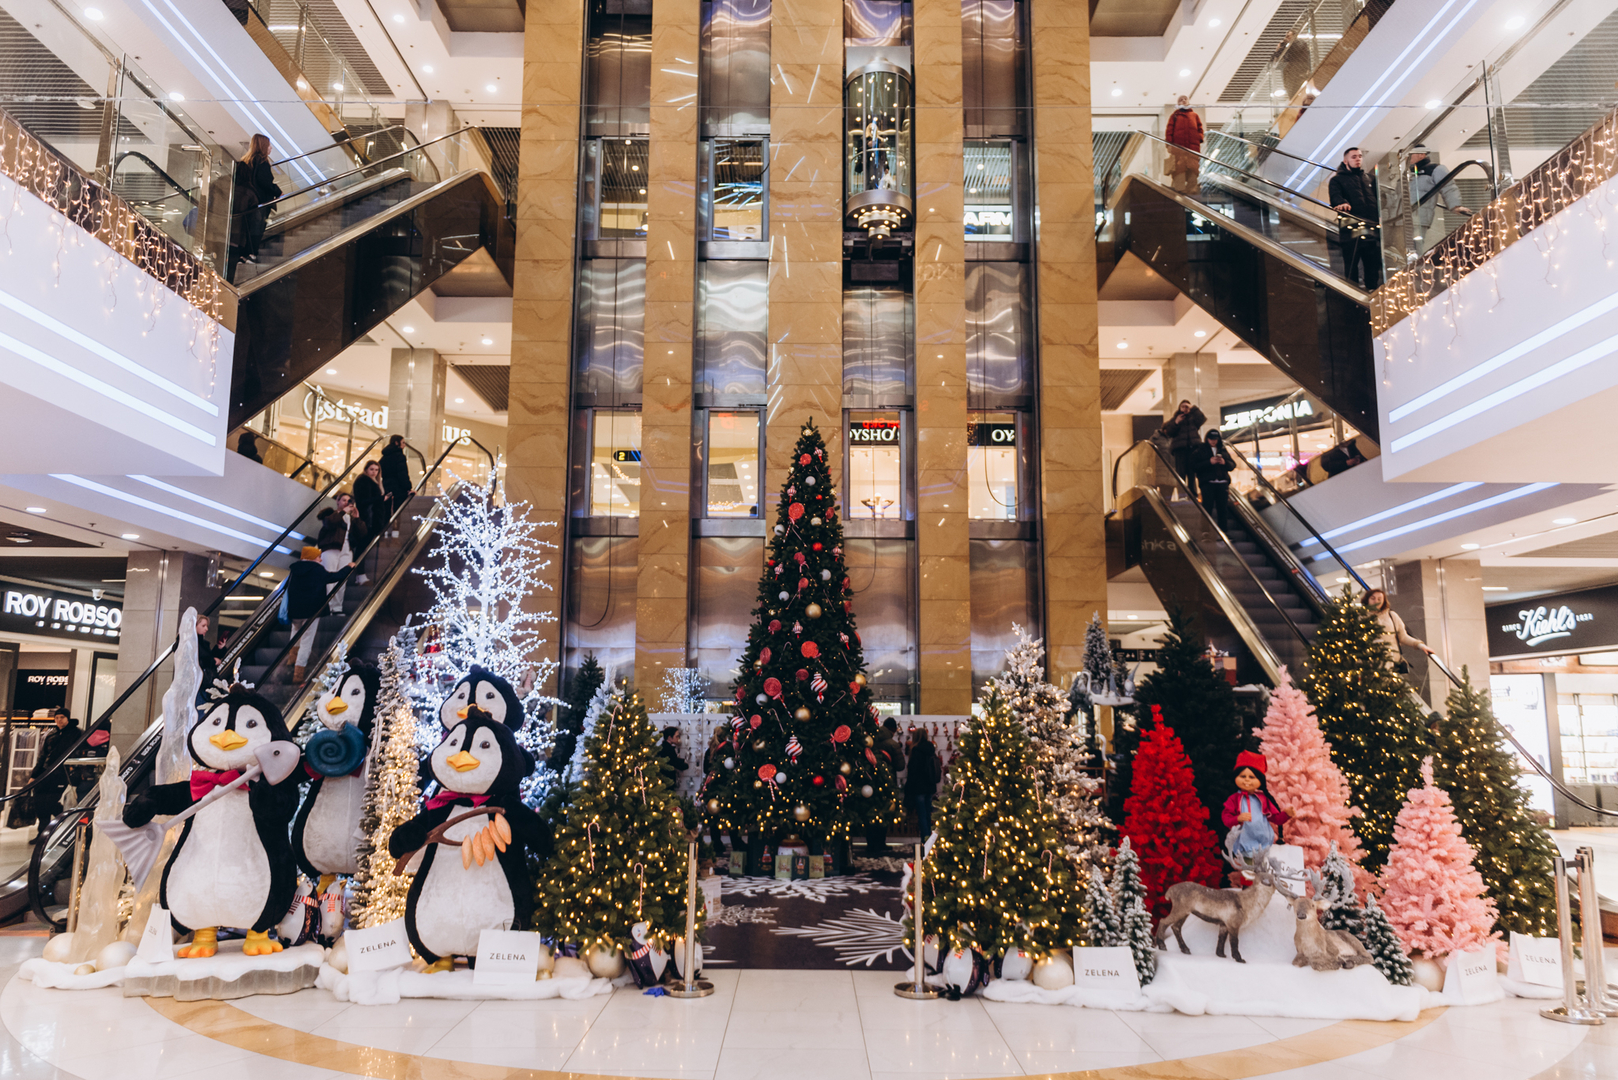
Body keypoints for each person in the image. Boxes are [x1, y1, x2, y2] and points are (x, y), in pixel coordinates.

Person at [287, 545, 354, 683]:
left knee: (295, 633)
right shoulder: (316, 569)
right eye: (318, 557)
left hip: (294, 610)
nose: (320, 559)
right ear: (312, 557)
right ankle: (298, 675)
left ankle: (290, 659)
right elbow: (333, 577)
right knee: (306, 642)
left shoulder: (294, 570)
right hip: (311, 612)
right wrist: (348, 567)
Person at [228, 134, 280, 283]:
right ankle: (250, 254)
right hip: (259, 202)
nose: (271, 148)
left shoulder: (247, 161)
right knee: (257, 228)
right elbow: (265, 182)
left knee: (247, 228)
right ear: (263, 146)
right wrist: (277, 191)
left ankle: (243, 255)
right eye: (269, 145)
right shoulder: (262, 162)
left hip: (247, 202)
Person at [1329, 147, 1382, 288]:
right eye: (1354, 157)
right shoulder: (1337, 180)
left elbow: (1381, 199)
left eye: (1359, 156)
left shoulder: (1369, 178)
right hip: (1351, 229)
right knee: (1351, 264)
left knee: (1372, 264)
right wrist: (1341, 203)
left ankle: (1372, 292)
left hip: (1371, 228)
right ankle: (1352, 294)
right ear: (1345, 160)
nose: (1358, 159)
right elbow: (1335, 197)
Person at [1221, 751, 1289, 860]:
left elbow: (1275, 819)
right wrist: (1237, 819)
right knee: (1248, 873)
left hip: (1264, 847)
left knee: (1262, 872)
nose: (1247, 779)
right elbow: (1226, 819)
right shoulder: (1234, 799)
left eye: (1252, 777)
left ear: (1260, 781)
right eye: (1243, 776)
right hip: (1244, 846)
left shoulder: (1262, 799)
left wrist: (1286, 815)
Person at [1408, 145, 1471, 254]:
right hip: (1402, 219)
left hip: (1419, 217)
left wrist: (1455, 205)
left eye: (1410, 155)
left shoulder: (1435, 169)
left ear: (1421, 155)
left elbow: (1448, 187)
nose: (1407, 158)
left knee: (1414, 248)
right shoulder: (1408, 173)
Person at [30, 708, 82, 833]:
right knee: (40, 802)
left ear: (68, 718)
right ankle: (43, 832)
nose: (59, 720)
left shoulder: (76, 733)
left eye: (62, 717)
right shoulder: (52, 734)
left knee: (54, 803)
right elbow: (43, 756)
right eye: (56, 718)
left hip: (63, 774)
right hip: (46, 773)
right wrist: (34, 775)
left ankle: (61, 830)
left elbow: (77, 754)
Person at [316, 494, 369, 613]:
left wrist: (357, 518)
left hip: (347, 550)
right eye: (343, 500)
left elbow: (363, 533)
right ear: (338, 502)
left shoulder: (350, 518)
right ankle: (326, 607)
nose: (346, 502)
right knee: (328, 577)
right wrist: (342, 512)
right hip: (331, 548)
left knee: (342, 580)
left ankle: (337, 608)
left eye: (348, 501)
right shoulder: (331, 514)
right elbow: (329, 523)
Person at [1363, 588, 1432, 672]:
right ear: (1367, 600)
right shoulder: (1360, 617)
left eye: (1379, 599)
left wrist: (1420, 645)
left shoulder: (1392, 616)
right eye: (1373, 598)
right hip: (1368, 665)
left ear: (1384, 601)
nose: (1376, 601)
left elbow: (1403, 637)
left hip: (1392, 663)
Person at [864, 718, 904, 855]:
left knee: (871, 813)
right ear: (893, 730)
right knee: (885, 812)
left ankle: (871, 845)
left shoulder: (870, 741)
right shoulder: (893, 744)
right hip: (888, 782)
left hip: (870, 782)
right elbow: (900, 766)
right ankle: (880, 843)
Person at [1158, 399, 1206, 499]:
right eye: (1183, 407)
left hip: (1193, 449)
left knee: (1192, 473)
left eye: (1187, 407)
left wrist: (1193, 408)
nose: (1185, 409)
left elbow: (1202, 419)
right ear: (1179, 408)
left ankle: (1193, 495)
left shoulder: (1193, 419)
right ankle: (1182, 494)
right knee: (1181, 473)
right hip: (1180, 450)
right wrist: (1176, 422)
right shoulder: (1175, 419)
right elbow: (1170, 432)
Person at [903, 727, 942, 842]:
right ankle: (929, 838)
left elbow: (913, 772)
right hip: (929, 787)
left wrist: (908, 788)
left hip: (918, 787)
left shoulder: (915, 751)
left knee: (921, 815)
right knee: (928, 814)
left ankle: (925, 839)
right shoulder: (931, 750)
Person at [1193, 429, 1235, 528]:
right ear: (1207, 439)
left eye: (1215, 439)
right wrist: (1209, 462)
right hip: (1208, 483)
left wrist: (1224, 462)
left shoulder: (1223, 450)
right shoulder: (1200, 450)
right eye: (1211, 439)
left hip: (1222, 482)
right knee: (1207, 509)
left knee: (1223, 510)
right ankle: (1205, 532)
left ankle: (1223, 532)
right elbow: (1194, 466)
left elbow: (1232, 465)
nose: (1213, 441)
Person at [1164, 96, 1204, 195]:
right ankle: (1179, 191)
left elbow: (1200, 129)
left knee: (1193, 170)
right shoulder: (1174, 115)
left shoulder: (1194, 115)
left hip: (1192, 149)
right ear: (1178, 104)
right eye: (1180, 100)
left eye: (1185, 99)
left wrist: (1199, 138)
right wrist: (1169, 144)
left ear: (1188, 102)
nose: (1183, 101)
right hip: (1178, 149)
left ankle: (1192, 192)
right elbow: (1169, 131)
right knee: (1179, 170)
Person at [380, 436, 412, 530]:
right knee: (398, 512)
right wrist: (408, 488)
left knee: (387, 512)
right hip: (398, 489)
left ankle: (385, 533)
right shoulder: (400, 456)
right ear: (396, 443)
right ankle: (395, 533)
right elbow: (402, 473)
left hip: (386, 486)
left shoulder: (384, 457)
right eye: (403, 442)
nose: (405, 445)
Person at [352, 460, 387, 543]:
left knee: (366, 543)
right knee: (364, 542)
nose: (374, 472)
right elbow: (364, 500)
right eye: (371, 469)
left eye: (376, 470)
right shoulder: (364, 480)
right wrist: (381, 498)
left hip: (370, 517)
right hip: (368, 518)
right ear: (366, 469)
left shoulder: (374, 481)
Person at [196, 614, 223, 691]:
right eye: (203, 626)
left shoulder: (202, 643)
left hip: (206, 681)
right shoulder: (191, 644)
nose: (206, 629)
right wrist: (213, 661)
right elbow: (201, 660)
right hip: (200, 683)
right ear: (194, 626)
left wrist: (219, 649)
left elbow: (208, 656)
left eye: (207, 626)